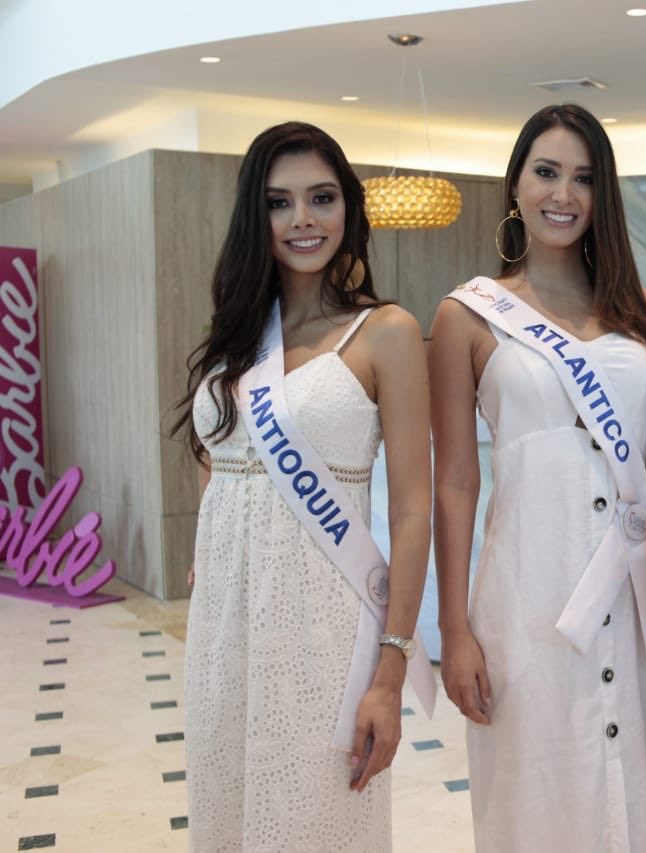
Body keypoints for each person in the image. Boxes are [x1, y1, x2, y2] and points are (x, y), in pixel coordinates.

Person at [173, 122, 433, 851]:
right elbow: (220, 455)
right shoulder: (237, 335)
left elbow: (414, 511)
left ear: (349, 206)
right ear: (256, 218)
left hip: (323, 630)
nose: (303, 220)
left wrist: (391, 668)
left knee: (315, 819)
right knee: (226, 811)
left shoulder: (385, 332)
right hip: (226, 624)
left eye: (321, 198)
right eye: (279, 203)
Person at [430, 104, 646, 852]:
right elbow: (455, 483)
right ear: (517, 186)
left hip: (635, 597)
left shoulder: (637, 311)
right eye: (547, 172)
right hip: (526, 595)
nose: (563, 194)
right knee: (535, 794)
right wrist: (453, 627)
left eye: (584, 178)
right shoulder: (468, 316)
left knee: (636, 783)